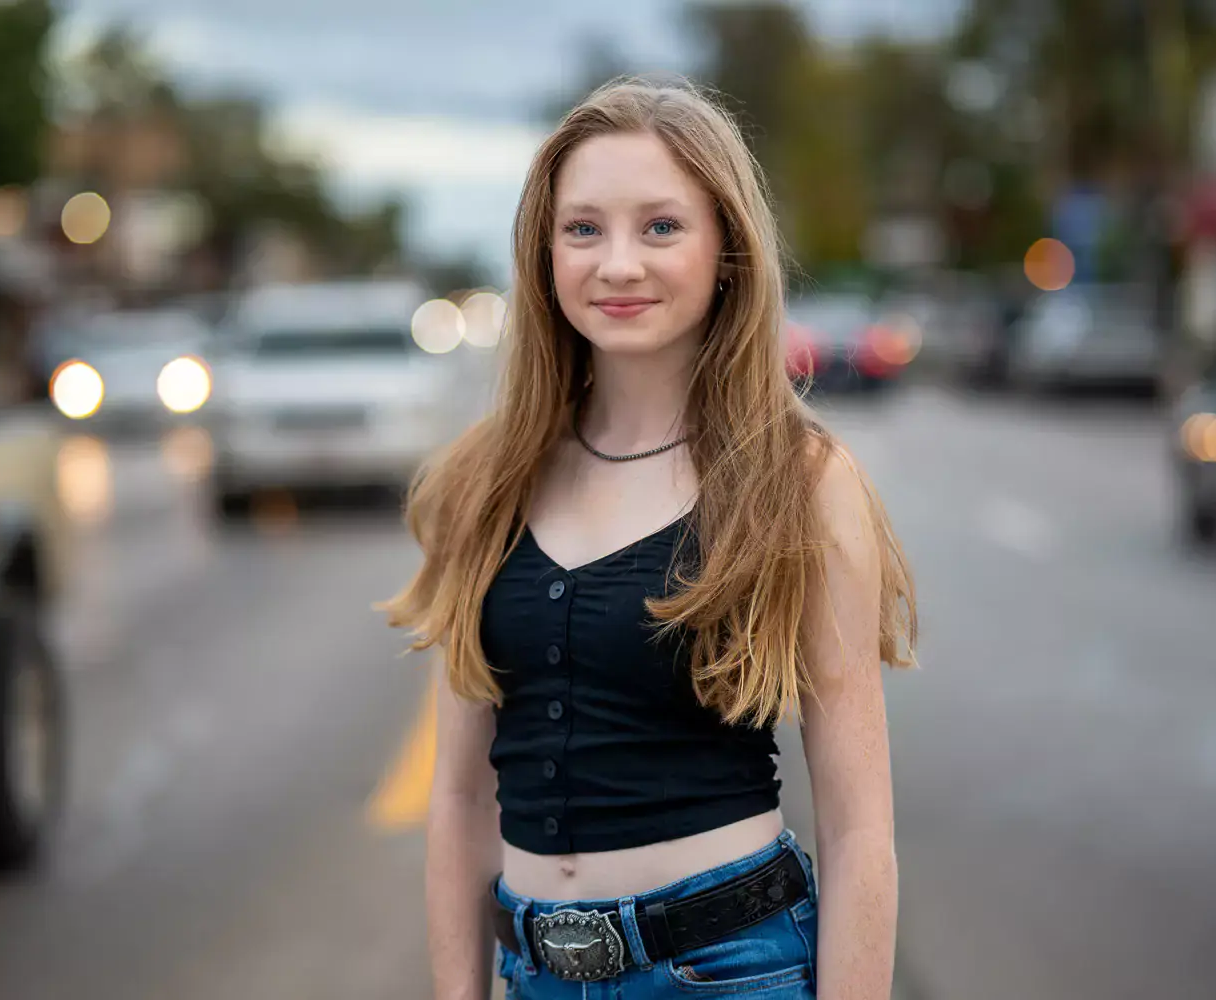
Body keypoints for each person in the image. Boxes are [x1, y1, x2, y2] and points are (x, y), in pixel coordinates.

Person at [381, 77, 917, 999]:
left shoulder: (800, 479)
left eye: (661, 227)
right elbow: (462, 799)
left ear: (727, 254)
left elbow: (860, 826)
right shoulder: (487, 478)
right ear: (544, 253)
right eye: (583, 229)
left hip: (730, 972)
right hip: (534, 972)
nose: (617, 264)